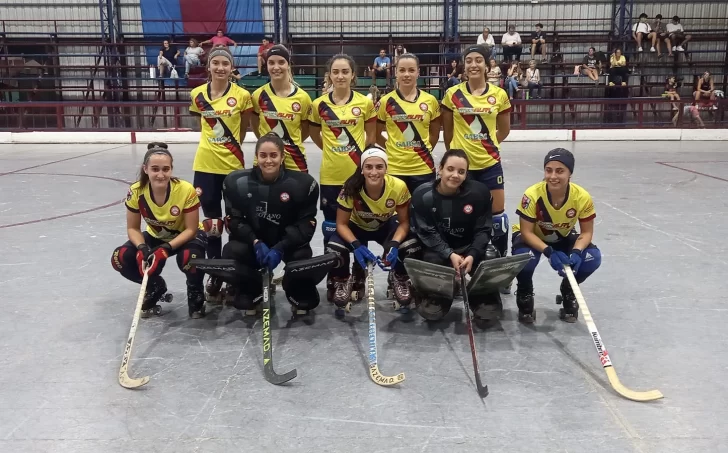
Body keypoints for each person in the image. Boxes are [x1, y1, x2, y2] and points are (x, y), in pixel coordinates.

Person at [220, 133, 321, 317]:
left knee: (302, 254)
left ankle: (295, 287)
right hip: (255, 242)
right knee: (232, 250)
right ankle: (251, 286)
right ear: (256, 157)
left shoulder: (303, 184)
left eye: (273, 155)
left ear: (282, 157)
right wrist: (255, 242)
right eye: (263, 155)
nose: (268, 160)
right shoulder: (237, 182)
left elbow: (306, 225)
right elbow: (234, 220)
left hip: (286, 242)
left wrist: (280, 248)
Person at [441, 45, 512, 286]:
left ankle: (500, 270)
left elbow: (504, 130)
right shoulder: (452, 94)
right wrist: (458, 157)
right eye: (469, 60)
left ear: (487, 64)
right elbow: (448, 133)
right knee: (462, 216)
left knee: (498, 218)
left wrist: (486, 145)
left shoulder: (499, 95)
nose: (473, 64)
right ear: (464, 64)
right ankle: (461, 265)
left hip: (490, 164)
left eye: (478, 60)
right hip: (463, 169)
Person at [111, 143, 207, 318]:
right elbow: (133, 228)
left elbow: (191, 229)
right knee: (120, 258)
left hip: (186, 236)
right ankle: (154, 285)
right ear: (145, 169)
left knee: (189, 258)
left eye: (165, 169)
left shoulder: (185, 190)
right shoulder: (136, 191)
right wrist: (142, 248)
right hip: (157, 236)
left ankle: (195, 291)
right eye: (155, 169)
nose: (161, 175)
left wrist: (166, 249)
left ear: (171, 169)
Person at [188, 47, 253, 300]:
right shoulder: (197, 94)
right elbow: (200, 126)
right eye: (215, 63)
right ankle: (216, 271)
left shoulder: (242, 96)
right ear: (209, 66)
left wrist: (229, 147)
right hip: (205, 165)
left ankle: (235, 273)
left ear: (231, 67)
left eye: (225, 63)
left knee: (235, 222)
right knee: (212, 223)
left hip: (233, 167)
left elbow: (243, 130)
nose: (220, 68)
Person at [325, 146, 420, 316]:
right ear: (362, 169)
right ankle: (342, 279)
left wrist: (394, 244)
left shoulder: (398, 187)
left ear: (386, 168)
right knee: (334, 248)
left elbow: (404, 223)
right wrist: (356, 245)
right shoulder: (350, 187)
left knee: (410, 244)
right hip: (356, 227)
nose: (374, 172)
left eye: (379, 167)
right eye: (368, 167)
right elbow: (341, 224)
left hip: (384, 226)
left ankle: (399, 276)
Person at [310, 54, 377, 294]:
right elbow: (315, 135)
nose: (340, 76)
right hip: (330, 176)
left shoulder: (364, 104)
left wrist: (361, 163)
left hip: (357, 176)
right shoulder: (318, 105)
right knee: (331, 229)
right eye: (335, 72)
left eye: (345, 71)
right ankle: (337, 275)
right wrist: (331, 151)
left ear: (353, 75)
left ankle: (359, 273)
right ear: (329, 75)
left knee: (360, 224)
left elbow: (371, 137)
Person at [511, 148, 601, 323]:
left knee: (592, 258)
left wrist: (576, 252)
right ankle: (524, 291)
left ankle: (569, 289)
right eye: (548, 170)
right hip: (533, 237)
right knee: (525, 259)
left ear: (570, 173)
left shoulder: (582, 197)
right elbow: (526, 232)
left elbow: (587, 232)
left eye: (560, 171)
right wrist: (549, 252)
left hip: (562, 236)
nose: (553, 176)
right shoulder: (532, 195)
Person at [410, 148, 501, 320]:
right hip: (439, 250)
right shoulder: (423, 195)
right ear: (440, 169)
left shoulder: (479, 193)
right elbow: (426, 232)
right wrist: (449, 254)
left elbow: (483, 230)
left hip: (468, 247)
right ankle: (437, 296)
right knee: (429, 259)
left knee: (490, 255)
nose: (455, 175)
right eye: (450, 169)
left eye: (461, 171)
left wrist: (472, 254)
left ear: (466, 175)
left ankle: (483, 296)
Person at [375, 53, 441, 195]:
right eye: (402, 70)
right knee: (396, 209)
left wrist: (422, 149)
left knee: (423, 208)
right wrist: (392, 147)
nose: (406, 74)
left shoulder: (430, 100)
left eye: (411, 70)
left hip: (423, 168)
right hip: (395, 168)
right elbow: (375, 134)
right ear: (396, 73)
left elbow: (434, 134)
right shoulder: (385, 102)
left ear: (418, 72)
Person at [251, 45, 312, 173]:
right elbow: (255, 125)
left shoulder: (303, 97)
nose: (276, 67)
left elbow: (306, 130)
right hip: (265, 161)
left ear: (288, 64)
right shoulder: (258, 95)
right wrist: (267, 143)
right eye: (271, 63)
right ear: (266, 65)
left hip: (295, 161)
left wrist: (289, 143)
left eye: (281, 62)